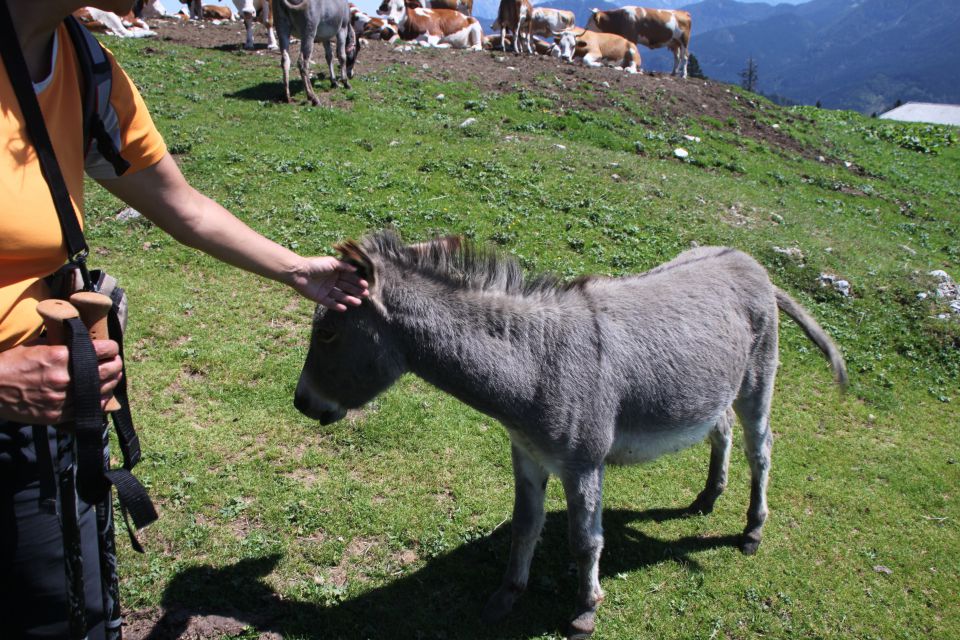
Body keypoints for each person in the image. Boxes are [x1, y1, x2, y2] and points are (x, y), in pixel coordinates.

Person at [0, 1, 369, 637]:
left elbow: (182, 206)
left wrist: (295, 272)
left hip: (53, 420)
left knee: (73, 616)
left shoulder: (87, 67)